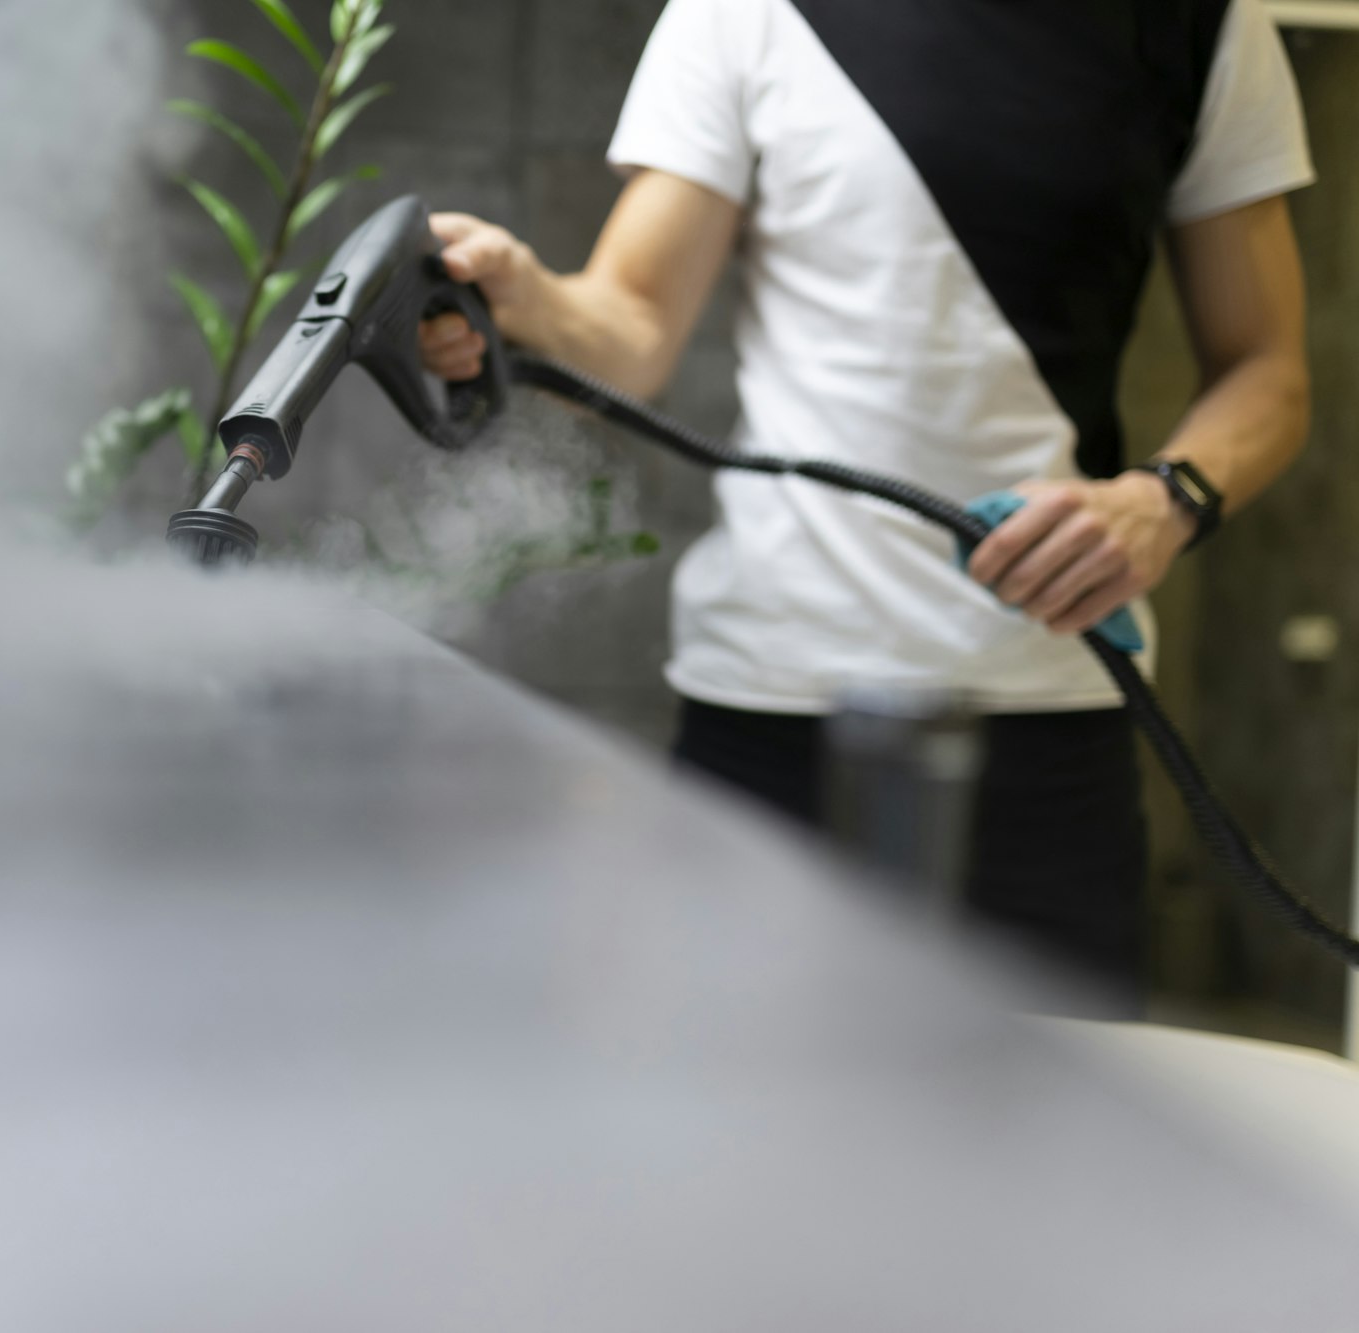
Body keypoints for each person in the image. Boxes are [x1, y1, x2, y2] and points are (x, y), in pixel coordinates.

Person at [420, 0, 1314, 1004]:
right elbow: (631, 326)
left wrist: (1164, 500)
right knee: (739, 1137)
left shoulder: (1202, 25)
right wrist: (527, 295)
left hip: (1049, 721)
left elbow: (1267, 370)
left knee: (1046, 1137)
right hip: (776, 705)